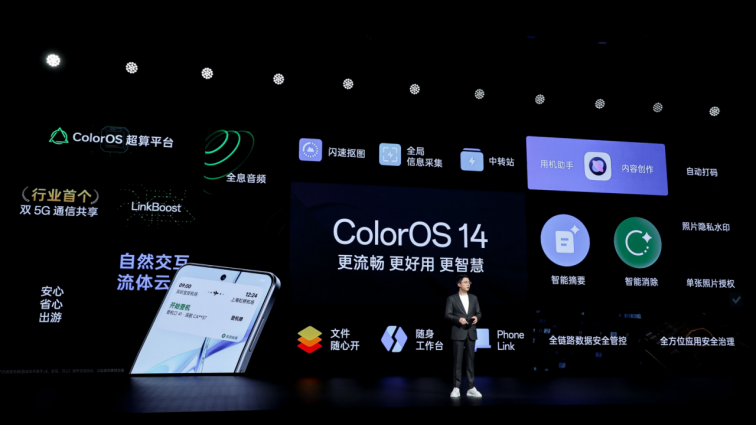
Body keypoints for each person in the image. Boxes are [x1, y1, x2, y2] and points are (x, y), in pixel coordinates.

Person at [445, 275, 482, 398]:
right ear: (459, 284)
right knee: (458, 361)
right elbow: (447, 314)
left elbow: (479, 313)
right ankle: (456, 388)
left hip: (471, 332)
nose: (468, 284)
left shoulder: (474, 298)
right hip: (458, 331)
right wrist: (458, 319)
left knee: (470, 361)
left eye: (469, 282)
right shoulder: (452, 299)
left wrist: (477, 318)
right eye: (465, 282)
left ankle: (470, 388)